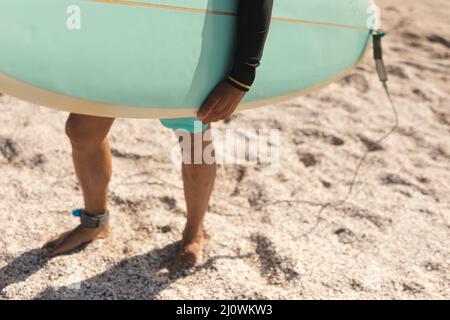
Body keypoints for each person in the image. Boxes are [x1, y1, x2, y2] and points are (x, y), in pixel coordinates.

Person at [43, 0, 274, 267]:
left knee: (194, 142)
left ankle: (193, 230)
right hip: (122, 38)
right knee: (82, 130)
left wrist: (241, 76)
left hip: (186, 47)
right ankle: (95, 221)